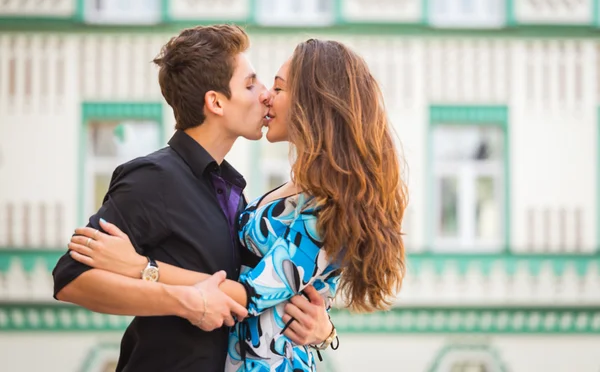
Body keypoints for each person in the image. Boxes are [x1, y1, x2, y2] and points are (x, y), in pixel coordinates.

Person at [69, 39, 408, 371]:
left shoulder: (327, 204)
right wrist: (324, 329)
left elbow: (250, 295)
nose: (266, 96)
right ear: (216, 102)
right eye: (255, 85)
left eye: (277, 88)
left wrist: (142, 266)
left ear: (311, 103)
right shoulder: (277, 188)